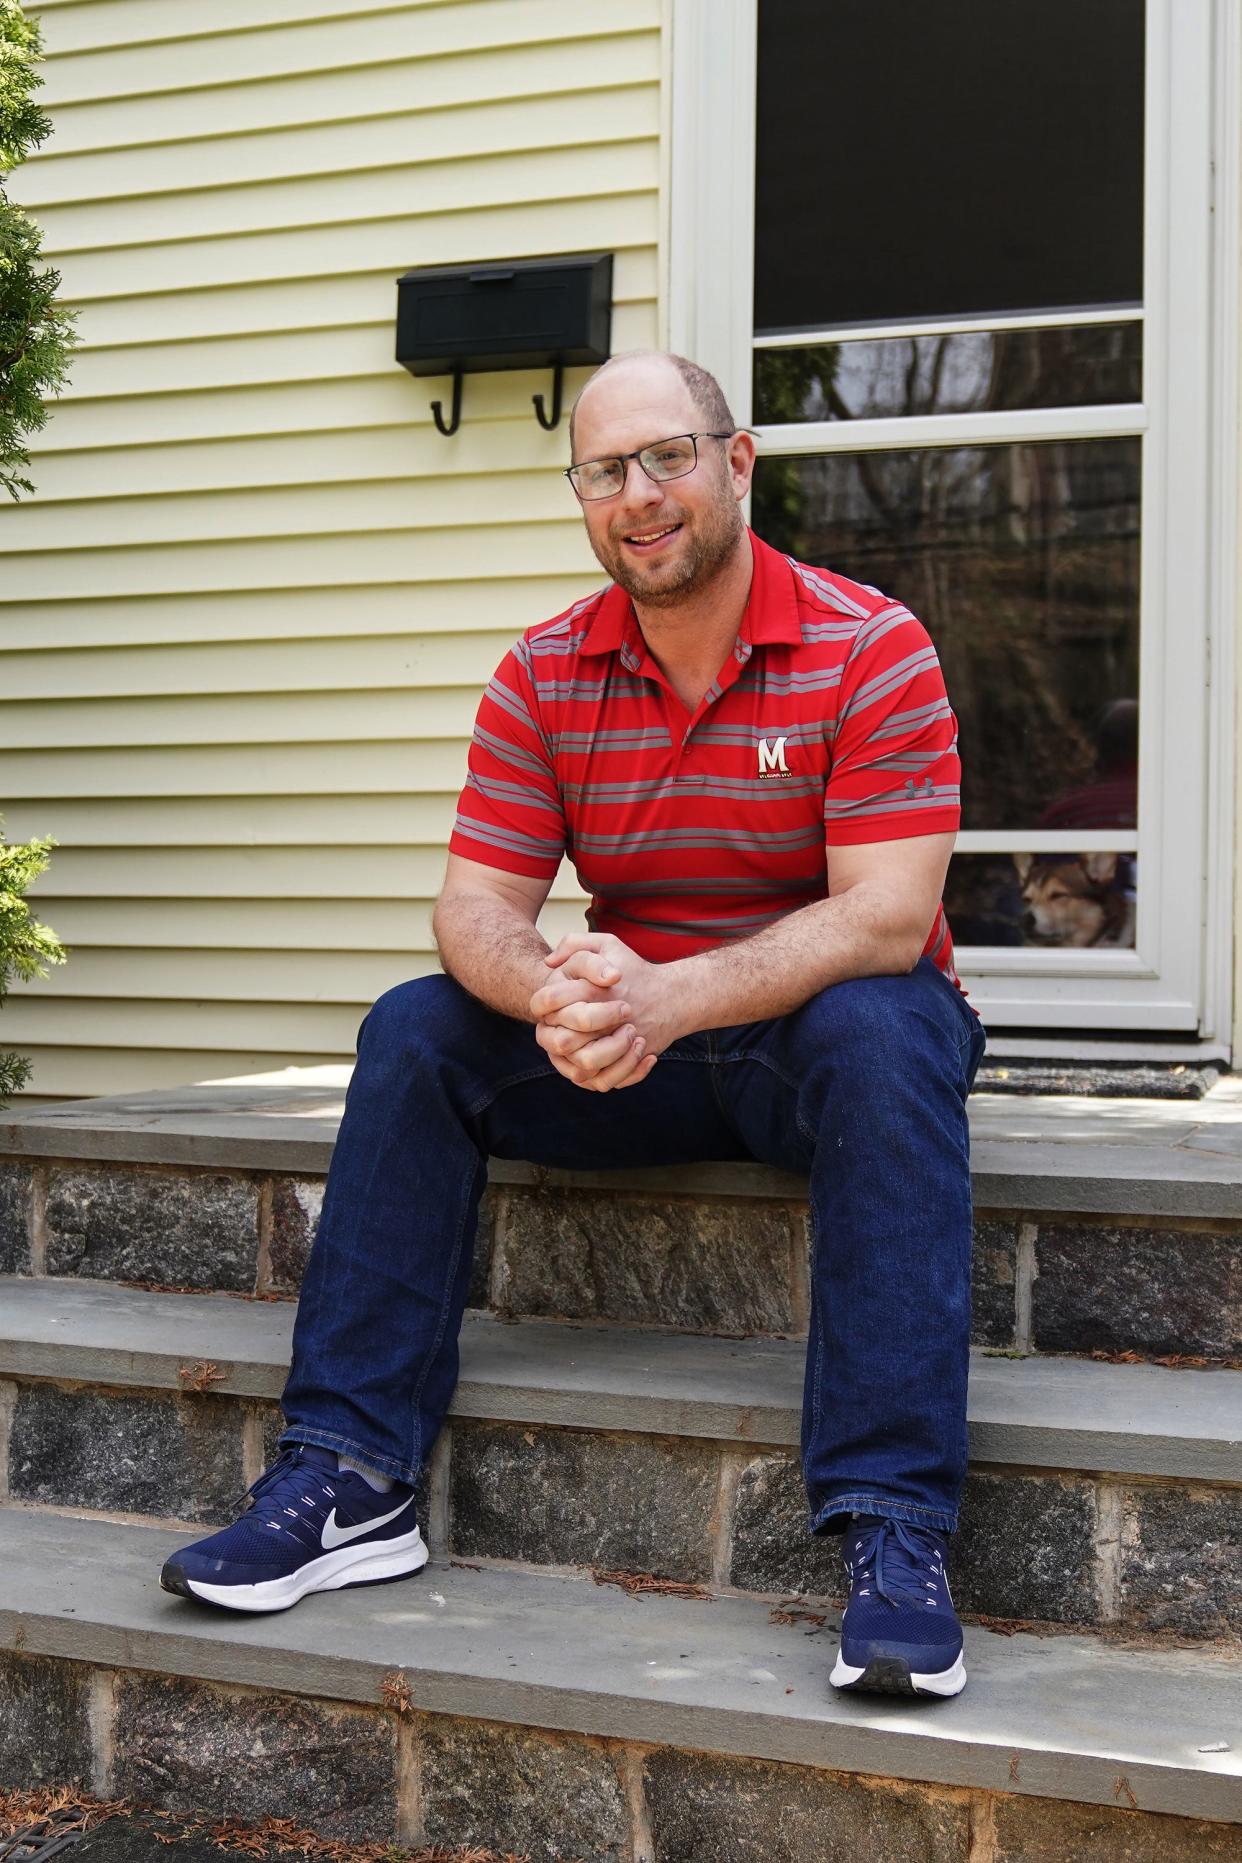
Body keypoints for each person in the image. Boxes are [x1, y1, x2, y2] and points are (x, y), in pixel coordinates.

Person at [161, 350, 987, 1701]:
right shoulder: (545, 671)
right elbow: (474, 907)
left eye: (665, 457)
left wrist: (666, 996)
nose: (637, 497)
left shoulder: (866, 644)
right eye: (603, 472)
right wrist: (553, 991)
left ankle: (892, 1531)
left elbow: (884, 916)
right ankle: (352, 1479)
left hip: (814, 1052)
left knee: (886, 1023)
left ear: (736, 462)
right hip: (638, 1050)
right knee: (419, 1026)